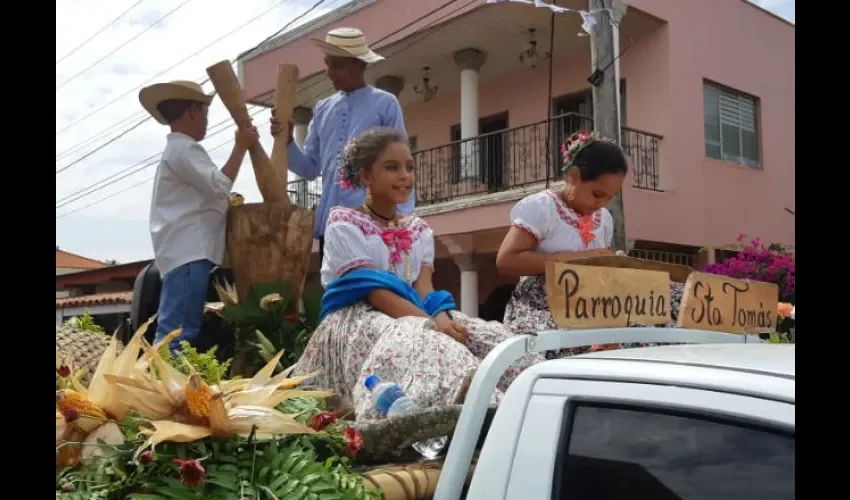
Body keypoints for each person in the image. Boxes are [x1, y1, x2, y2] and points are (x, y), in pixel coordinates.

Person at [292, 128, 544, 421]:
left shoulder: (418, 229)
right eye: (392, 167)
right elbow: (375, 291)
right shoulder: (344, 223)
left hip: (413, 310)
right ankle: (472, 413)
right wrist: (430, 326)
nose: (405, 176)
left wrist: (441, 318)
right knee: (423, 341)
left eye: (409, 168)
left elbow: (423, 287)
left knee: (484, 336)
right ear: (366, 176)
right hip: (360, 317)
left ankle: (529, 407)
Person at [496, 131, 684, 357]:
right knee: (563, 348)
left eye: (610, 197)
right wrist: (581, 260)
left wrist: (614, 264)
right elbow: (507, 260)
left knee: (656, 325)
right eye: (597, 194)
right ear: (574, 176)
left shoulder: (603, 219)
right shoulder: (543, 208)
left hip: (592, 303)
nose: (603, 203)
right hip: (543, 305)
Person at [269, 27, 413, 261]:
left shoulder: (386, 104)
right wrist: (286, 141)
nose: (329, 72)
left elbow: (400, 163)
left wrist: (401, 217)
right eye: (328, 64)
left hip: (373, 223)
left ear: (359, 65)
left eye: (337, 65)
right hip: (331, 224)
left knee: (374, 293)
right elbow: (309, 168)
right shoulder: (322, 109)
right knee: (336, 293)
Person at [138, 80, 259, 352]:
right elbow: (219, 185)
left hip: (184, 251)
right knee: (178, 332)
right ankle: (161, 386)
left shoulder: (177, 150)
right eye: (205, 114)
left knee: (178, 328)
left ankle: (163, 383)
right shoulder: (185, 149)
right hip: (189, 251)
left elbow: (213, 193)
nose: (205, 121)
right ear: (193, 111)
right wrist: (241, 146)